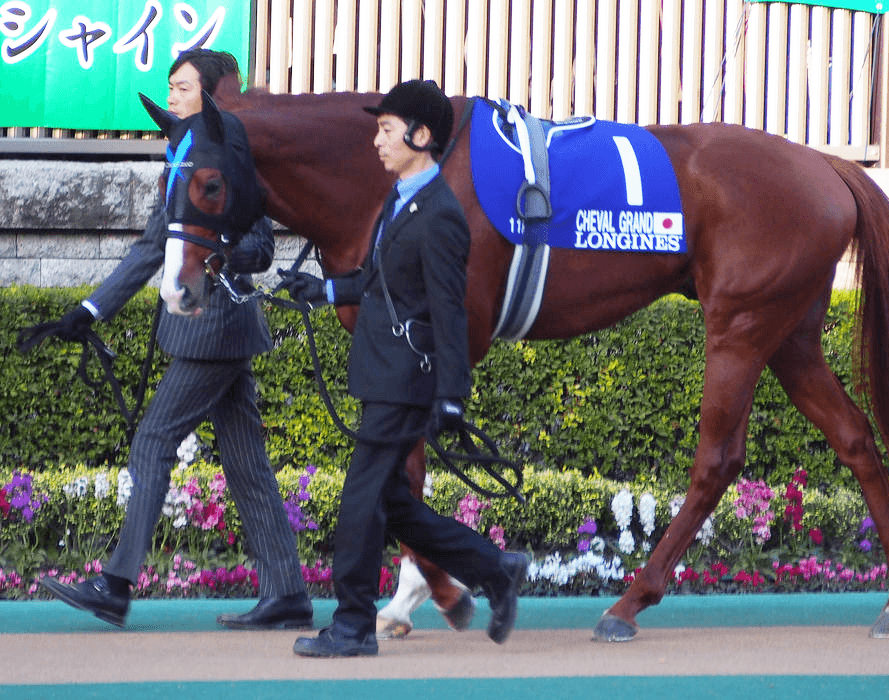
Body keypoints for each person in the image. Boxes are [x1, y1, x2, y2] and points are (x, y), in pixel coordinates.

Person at [38, 49, 312, 631]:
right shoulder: (182, 163)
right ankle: (287, 591)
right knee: (246, 465)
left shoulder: (232, 156)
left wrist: (222, 255)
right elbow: (149, 248)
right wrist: (89, 309)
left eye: (184, 88)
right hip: (211, 332)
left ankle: (115, 584)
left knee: (153, 440)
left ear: (210, 98)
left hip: (215, 330)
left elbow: (260, 246)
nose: (172, 97)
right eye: (170, 87)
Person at [279, 79, 528, 658]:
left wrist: (451, 397)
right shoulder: (400, 199)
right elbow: (382, 282)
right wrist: (324, 290)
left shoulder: (441, 213)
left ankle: (351, 626)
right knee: (395, 507)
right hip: (385, 373)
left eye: (387, 129)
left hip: (405, 381)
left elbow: (450, 309)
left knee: (360, 502)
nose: (376, 140)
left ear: (421, 135)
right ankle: (496, 569)